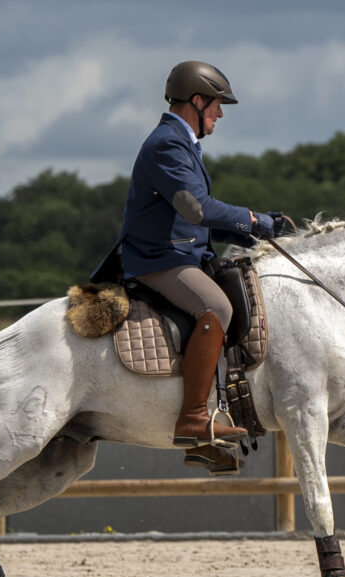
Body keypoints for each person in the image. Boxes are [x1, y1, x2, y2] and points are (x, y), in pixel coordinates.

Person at [91, 60, 284, 473]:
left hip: (183, 254)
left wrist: (251, 233)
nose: (220, 114)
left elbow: (190, 217)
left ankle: (208, 426)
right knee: (216, 307)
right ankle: (193, 418)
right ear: (197, 101)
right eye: (217, 104)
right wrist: (252, 220)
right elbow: (197, 209)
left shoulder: (182, 143)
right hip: (158, 259)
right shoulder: (167, 144)